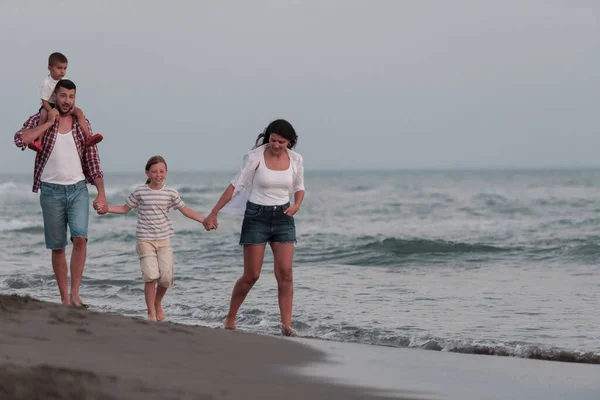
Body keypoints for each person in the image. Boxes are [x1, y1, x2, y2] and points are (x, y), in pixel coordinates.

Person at [203, 119, 305, 336]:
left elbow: (299, 187)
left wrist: (297, 205)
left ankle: (286, 326)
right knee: (252, 275)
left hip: (284, 217)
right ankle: (230, 317)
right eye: (273, 140)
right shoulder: (256, 156)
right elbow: (236, 184)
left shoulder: (296, 160)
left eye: (281, 142)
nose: (275, 145)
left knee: (285, 272)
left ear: (290, 142)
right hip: (256, 216)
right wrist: (214, 212)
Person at [13, 79, 108, 307]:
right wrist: (47, 124)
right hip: (50, 191)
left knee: (81, 238)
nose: (67, 101)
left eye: (71, 97)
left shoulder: (81, 123)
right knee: (58, 247)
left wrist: (101, 193)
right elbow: (19, 139)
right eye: (63, 96)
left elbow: (93, 160)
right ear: (54, 96)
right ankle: (65, 298)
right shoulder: (41, 118)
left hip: (78, 190)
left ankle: (75, 294)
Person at [102, 156, 206, 321]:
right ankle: (151, 312)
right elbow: (124, 208)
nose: (158, 175)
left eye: (161, 171)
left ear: (166, 173)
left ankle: (158, 304)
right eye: (154, 171)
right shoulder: (140, 191)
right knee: (151, 276)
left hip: (164, 241)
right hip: (145, 240)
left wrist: (204, 220)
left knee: (165, 278)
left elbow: (185, 210)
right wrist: (106, 208)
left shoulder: (170, 193)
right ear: (147, 173)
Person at [28, 52, 103, 152]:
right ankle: (39, 141)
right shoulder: (46, 83)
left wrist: (72, 107)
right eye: (59, 68)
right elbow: (44, 101)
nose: (62, 71)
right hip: (49, 105)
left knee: (79, 112)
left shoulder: (65, 80)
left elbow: (70, 95)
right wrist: (51, 111)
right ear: (50, 68)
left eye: (65, 68)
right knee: (43, 116)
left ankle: (88, 136)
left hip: (62, 103)